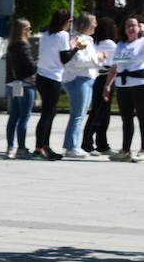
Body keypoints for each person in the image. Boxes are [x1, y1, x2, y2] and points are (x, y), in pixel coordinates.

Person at [34, 7, 80, 160]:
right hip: (53, 78)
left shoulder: (46, 34)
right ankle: (40, 147)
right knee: (48, 114)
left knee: (48, 113)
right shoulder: (62, 36)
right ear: (66, 21)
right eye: (70, 21)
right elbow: (65, 59)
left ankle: (44, 146)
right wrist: (76, 47)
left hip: (42, 76)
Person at [105, 14, 144, 162]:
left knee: (142, 118)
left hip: (139, 84)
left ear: (139, 27)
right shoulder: (120, 45)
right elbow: (114, 67)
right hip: (122, 85)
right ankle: (125, 150)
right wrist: (107, 85)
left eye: (133, 25)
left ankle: (143, 149)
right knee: (126, 119)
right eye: (128, 25)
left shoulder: (142, 42)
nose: (130, 28)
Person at [61, 12, 100, 158]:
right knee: (77, 115)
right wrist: (98, 60)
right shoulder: (77, 39)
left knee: (81, 115)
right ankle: (71, 147)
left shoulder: (88, 40)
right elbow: (77, 61)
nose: (96, 25)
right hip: (78, 79)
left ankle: (73, 145)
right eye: (94, 22)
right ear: (87, 24)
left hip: (87, 79)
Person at [3, 18, 37, 159]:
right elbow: (30, 67)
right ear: (23, 30)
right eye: (29, 28)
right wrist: (38, 63)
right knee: (24, 117)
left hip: (13, 84)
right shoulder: (24, 45)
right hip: (25, 84)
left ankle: (10, 146)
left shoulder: (11, 45)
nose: (30, 31)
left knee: (13, 117)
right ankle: (21, 147)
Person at [84, 16, 119, 155]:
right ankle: (89, 143)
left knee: (98, 111)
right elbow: (114, 65)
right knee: (101, 112)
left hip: (96, 77)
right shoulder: (111, 44)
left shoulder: (94, 42)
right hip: (106, 79)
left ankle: (101, 143)